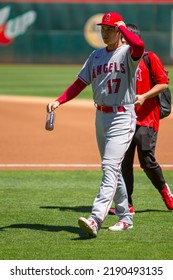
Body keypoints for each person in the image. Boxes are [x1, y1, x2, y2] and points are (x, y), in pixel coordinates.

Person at [47, 13, 144, 237]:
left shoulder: (128, 53)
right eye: (103, 28)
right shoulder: (96, 56)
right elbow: (80, 82)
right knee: (114, 168)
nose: (105, 32)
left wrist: (123, 28)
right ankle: (126, 218)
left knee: (109, 167)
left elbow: (139, 44)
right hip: (101, 117)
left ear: (119, 31)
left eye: (110, 28)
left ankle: (95, 218)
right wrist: (59, 100)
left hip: (122, 116)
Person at [109, 24, 173, 216]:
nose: (120, 41)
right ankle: (127, 203)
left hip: (146, 119)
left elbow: (163, 83)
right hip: (125, 119)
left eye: (123, 38)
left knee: (147, 161)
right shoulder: (119, 60)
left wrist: (144, 96)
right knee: (124, 162)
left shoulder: (148, 58)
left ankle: (166, 193)